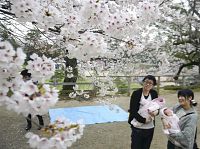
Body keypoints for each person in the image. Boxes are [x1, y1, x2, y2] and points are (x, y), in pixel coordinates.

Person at [128, 75, 158, 149]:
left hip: (150, 127)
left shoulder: (154, 93)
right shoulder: (136, 93)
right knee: (136, 146)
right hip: (137, 127)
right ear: (143, 82)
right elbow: (133, 110)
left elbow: (158, 107)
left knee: (146, 147)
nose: (148, 84)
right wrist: (143, 120)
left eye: (150, 83)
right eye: (146, 82)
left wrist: (156, 112)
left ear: (153, 85)